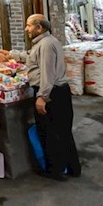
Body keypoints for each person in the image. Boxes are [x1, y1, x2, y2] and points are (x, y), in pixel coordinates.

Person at [26, 14, 80, 179]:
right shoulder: (46, 42)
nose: (26, 29)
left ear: (39, 27)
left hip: (53, 94)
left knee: (51, 133)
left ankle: (56, 170)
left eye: (29, 25)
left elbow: (47, 74)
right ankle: (72, 168)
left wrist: (42, 97)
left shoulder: (47, 45)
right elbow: (32, 58)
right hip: (59, 92)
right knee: (63, 132)